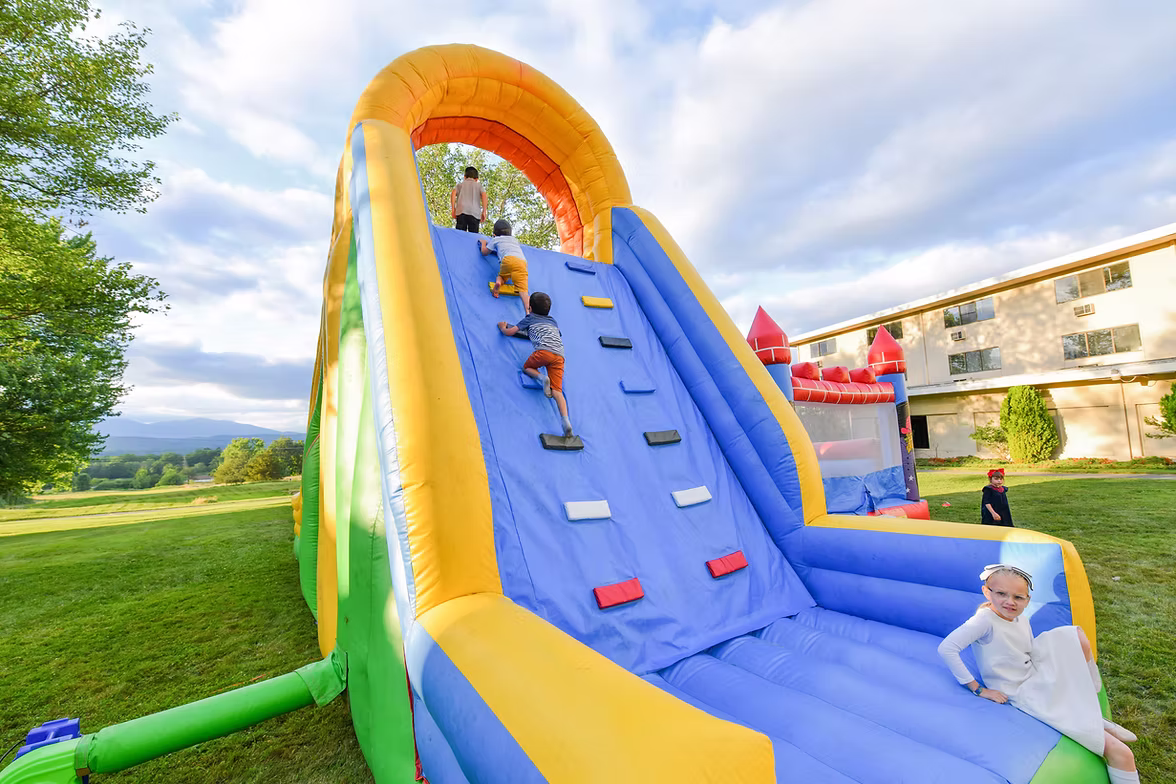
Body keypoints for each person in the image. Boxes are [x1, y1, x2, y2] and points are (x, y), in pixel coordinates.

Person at [938, 564, 1140, 783]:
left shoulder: (1020, 617)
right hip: (1018, 687)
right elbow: (947, 648)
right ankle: (1095, 724)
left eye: (1018, 597)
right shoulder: (984, 621)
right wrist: (978, 689)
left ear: (1028, 599)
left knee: (1076, 636)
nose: (1010, 602)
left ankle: (1094, 705)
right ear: (987, 592)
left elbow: (1024, 648)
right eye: (1001, 594)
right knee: (1121, 753)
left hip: (1030, 669)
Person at [498, 292, 573, 437]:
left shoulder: (529, 319)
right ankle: (566, 421)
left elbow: (511, 332)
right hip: (559, 355)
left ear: (530, 308)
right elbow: (555, 335)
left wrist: (503, 328)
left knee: (527, 367)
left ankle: (542, 378)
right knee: (557, 391)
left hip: (543, 352)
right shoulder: (553, 321)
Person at [481, 218, 529, 315]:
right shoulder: (514, 240)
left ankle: (499, 282)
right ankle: (528, 312)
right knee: (523, 290)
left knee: (502, 276)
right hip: (521, 262)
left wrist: (483, 243)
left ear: (495, 233)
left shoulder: (496, 239)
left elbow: (485, 252)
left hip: (508, 260)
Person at [451, 166, 488, 233]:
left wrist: (453, 209)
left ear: (464, 177)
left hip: (461, 211)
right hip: (474, 213)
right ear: (476, 179)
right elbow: (484, 195)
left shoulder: (460, 185)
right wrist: (484, 211)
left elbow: (453, 193)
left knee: (460, 234)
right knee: (473, 236)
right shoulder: (479, 185)